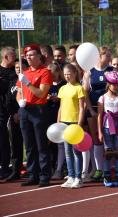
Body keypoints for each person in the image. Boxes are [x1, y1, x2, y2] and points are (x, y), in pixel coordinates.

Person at [16, 44, 53, 187]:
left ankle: (44, 175)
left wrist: (28, 84)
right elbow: (19, 92)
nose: (28, 57)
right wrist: (20, 102)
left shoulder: (45, 72)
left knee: (41, 144)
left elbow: (42, 93)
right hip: (25, 110)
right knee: (29, 145)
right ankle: (33, 174)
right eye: (27, 55)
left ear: (39, 56)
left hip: (39, 110)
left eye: (31, 55)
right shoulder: (23, 73)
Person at [82, 46, 114, 182]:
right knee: (96, 139)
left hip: (109, 111)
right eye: (108, 56)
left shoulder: (112, 71)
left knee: (109, 138)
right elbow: (84, 93)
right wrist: (90, 109)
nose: (110, 58)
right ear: (100, 56)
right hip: (94, 110)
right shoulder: (89, 72)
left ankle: (110, 169)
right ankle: (99, 169)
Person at [98, 71, 118, 187]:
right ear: (108, 84)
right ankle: (107, 176)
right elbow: (99, 115)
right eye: (113, 84)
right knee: (108, 153)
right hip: (107, 128)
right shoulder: (102, 98)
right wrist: (99, 132)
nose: (116, 86)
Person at [58, 64, 85, 188]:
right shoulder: (62, 89)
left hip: (74, 123)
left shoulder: (79, 88)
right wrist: (58, 122)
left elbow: (81, 108)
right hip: (64, 123)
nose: (67, 76)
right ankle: (71, 176)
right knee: (67, 152)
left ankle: (78, 178)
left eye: (69, 73)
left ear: (75, 73)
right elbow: (61, 107)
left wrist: (79, 124)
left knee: (76, 151)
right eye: (65, 74)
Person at [47, 62, 66, 180]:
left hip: (61, 117)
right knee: (49, 144)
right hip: (49, 117)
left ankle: (60, 169)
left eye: (52, 73)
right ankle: (51, 167)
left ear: (58, 73)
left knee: (61, 144)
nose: (50, 76)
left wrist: (57, 98)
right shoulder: (47, 84)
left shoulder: (63, 85)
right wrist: (47, 97)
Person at [0, 46, 17, 180]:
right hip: (1, 110)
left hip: (13, 110)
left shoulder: (15, 72)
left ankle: (11, 167)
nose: (15, 57)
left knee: (12, 140)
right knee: (2, 139)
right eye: (13, 55)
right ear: (6, 57)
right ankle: (3, 166)